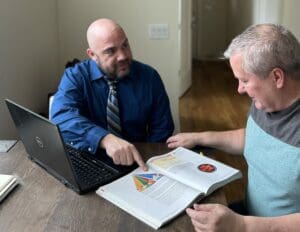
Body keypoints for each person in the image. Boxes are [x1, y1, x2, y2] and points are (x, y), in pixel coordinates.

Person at [167, 23, 300, 231]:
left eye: (245, 80)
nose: (239, 89)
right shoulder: (267, 100)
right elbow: (256, 139)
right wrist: (201, 137)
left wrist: (243, 225)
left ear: (277, 77)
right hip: (248, 214)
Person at [51, 18, 174, 171]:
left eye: (125, 45)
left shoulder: (149, 77)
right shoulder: (76, 76)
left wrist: (148, 163)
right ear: (92, 54)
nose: (122, 56)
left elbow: (162, 130)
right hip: (90, 160)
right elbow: (60, 117)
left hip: (139, 162)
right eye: (110, 51)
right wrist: (104, 139)